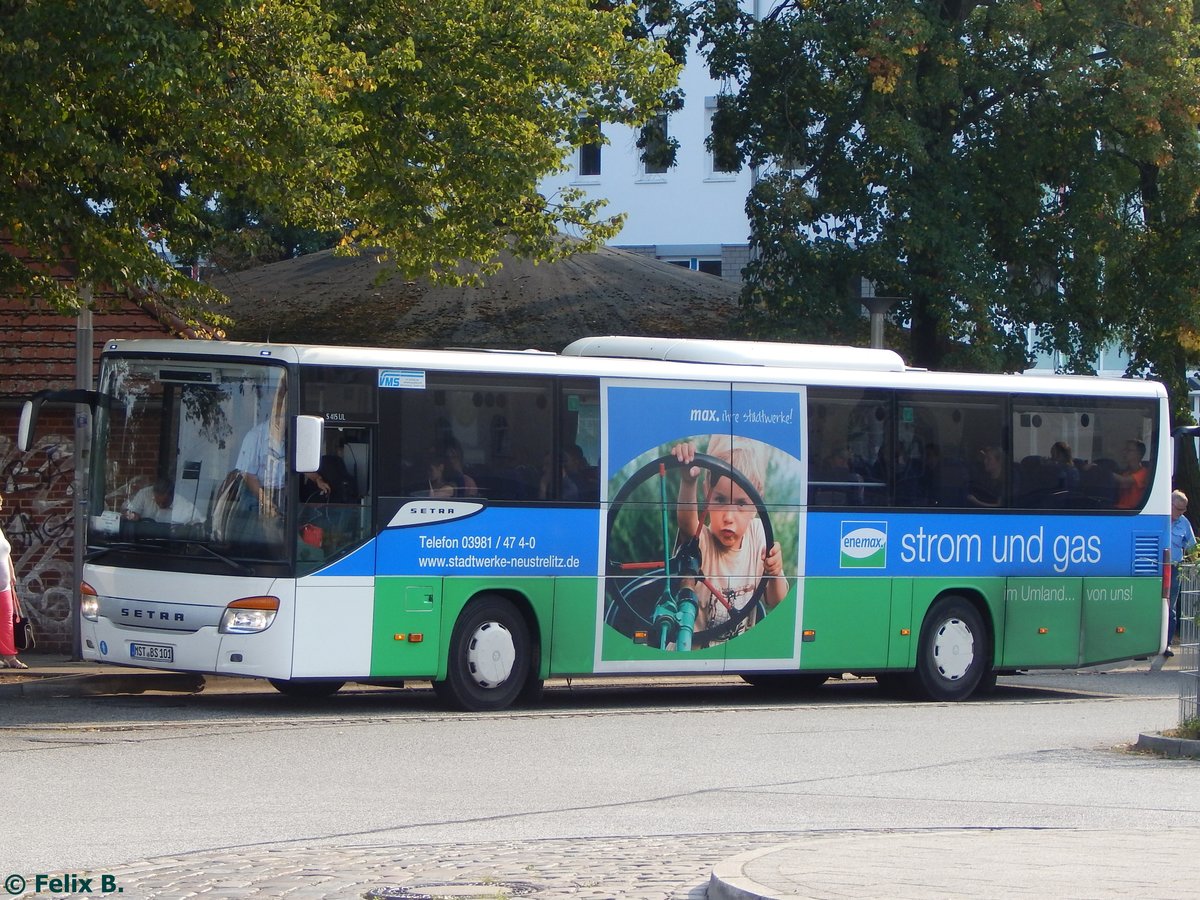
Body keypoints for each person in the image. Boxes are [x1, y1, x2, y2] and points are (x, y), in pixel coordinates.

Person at [671, 435, 789, 647]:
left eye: (742, 503)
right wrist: (688, 482)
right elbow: (687, 524)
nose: (729, 517)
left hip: (734, 655)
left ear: (757, 499)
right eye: (720, 500)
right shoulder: (701, 540)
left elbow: (776, 600)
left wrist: (775, 571)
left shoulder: (759, 534)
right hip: (692, 655)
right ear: (707, 491)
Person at [1167, 490, 1197, 658]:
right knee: (1151, 606)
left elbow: (1192, 547)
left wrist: (1195, 562)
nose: (1180, 513)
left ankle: (1167, 644)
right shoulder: (1159, 519)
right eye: (1178, 509)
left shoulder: (1184, 522)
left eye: (1183, 510)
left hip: (1174, 569)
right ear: (1169, 504)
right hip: (1154, 569)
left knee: (1170, 608)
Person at [0, 492, 27, 669]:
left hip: (4, 584)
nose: (1, 507)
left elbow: (5, 552)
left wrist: (11, 573)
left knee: (7, 619)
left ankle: (10, 656)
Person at [124, 478, 203, 526]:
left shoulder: (186, 507)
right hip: (142, 542)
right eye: (158, 503)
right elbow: (130, 512)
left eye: (164, 503)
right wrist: (132, 516)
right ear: (153, 495)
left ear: (172, 496)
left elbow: (200, 524)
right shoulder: (144, 494)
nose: (161, 505)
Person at [1114, 439, 1150, 509]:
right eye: (1125, 450)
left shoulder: (1144, 473)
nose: (1125, 452)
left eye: (1129, 450)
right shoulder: (1126, 473)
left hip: (1133, 512)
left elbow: (1124, 480)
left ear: (1139, 454)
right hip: (1119, 510)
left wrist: (1104, 472)